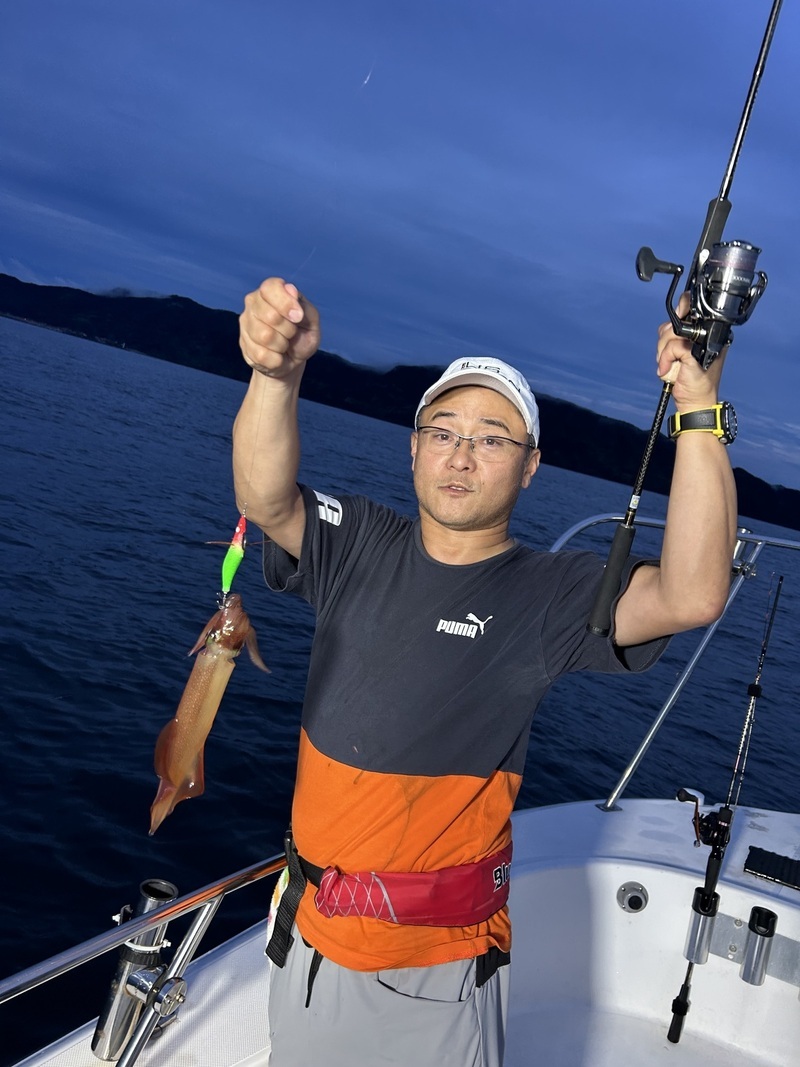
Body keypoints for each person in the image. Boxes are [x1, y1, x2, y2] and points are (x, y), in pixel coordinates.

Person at [234, 277, 736, 1066]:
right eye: (443, 430)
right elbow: (266, 500)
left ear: (530, 466)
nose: (461, 454)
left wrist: (698, 405)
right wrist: (276, 374)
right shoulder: (358, 539)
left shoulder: (550, 593)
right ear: (413, 446)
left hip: (427, 969)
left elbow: (692, 593)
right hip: (303, 931)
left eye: (493, 439)